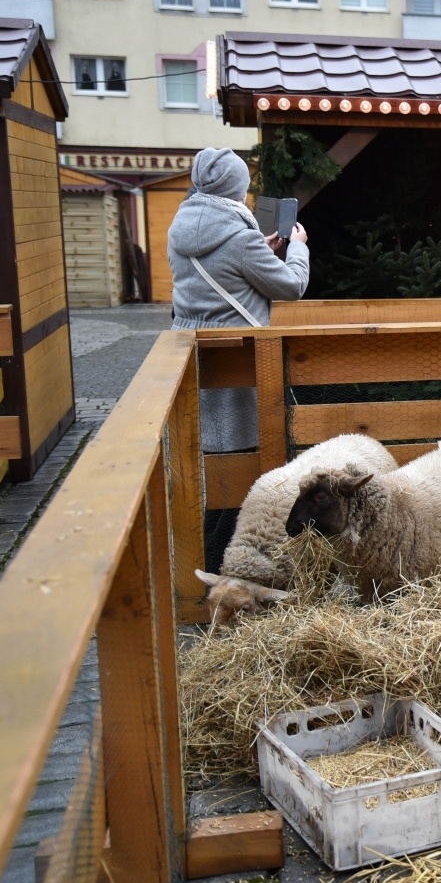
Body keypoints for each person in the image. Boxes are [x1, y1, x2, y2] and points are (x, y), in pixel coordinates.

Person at [167, 147, 310, 571]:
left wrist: (257, 251)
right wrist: (296, 248)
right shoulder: (240, 237)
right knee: (250, 458)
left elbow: (217, 275)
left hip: (196, 359)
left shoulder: (181, 226)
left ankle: (207, 561)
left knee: (208, 459)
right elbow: (290, 286)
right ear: (236, 188)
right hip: (243, 365)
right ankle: (237, 563)